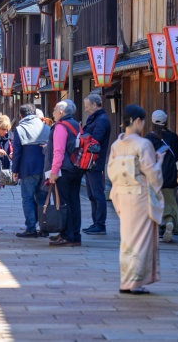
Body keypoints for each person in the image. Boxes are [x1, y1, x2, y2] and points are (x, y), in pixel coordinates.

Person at [107, 105, 164, 294]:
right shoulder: (143, 144)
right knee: (140, 239)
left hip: (122, 195)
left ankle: (126, 281)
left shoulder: (116, 145)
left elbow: (111, 172)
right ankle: (135, 282)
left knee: (127, 240)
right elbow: (152, 174)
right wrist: (159, 162)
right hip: (139, 196)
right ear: (138, 121)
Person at [48, 99, 84, 247]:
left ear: (61, 112)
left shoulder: (61, 126)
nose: (53, 112)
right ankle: (75, 235)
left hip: (64, 169)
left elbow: (59, 151)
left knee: (64, 202)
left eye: (55, 109)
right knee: (74, 202)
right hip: (77, 168)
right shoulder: (76, 124)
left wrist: (54, 171)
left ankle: (67, 235)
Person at [12, 104, 50, 238]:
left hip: (28, 168)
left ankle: (31, 228)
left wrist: (15, 170)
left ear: (21, 115)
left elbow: (17, 152)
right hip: (45, 167)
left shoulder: (20, 129)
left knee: (27, 198)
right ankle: (44, 227)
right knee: (42, 198)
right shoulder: (46, 128)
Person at [147, 110, 178, 243]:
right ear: (166, 121)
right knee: (170, 201)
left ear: (152, 121)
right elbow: (176, 156)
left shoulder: (149, 138)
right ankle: (169, 221)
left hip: (154, 175)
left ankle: (160, 228)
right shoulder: (173, 137)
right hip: (170, 174)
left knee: (155, 202)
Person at [82, 94, 111, 236]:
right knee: (92, 194)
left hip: (95, 161)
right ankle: (96, 223)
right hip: (89, 161)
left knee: (98, 194)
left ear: (94, 105)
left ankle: (100, 224)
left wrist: (82, 138)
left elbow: (95, 141)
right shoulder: (96, 118)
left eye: (87, 106)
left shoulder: (101, 120)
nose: (86, 109)